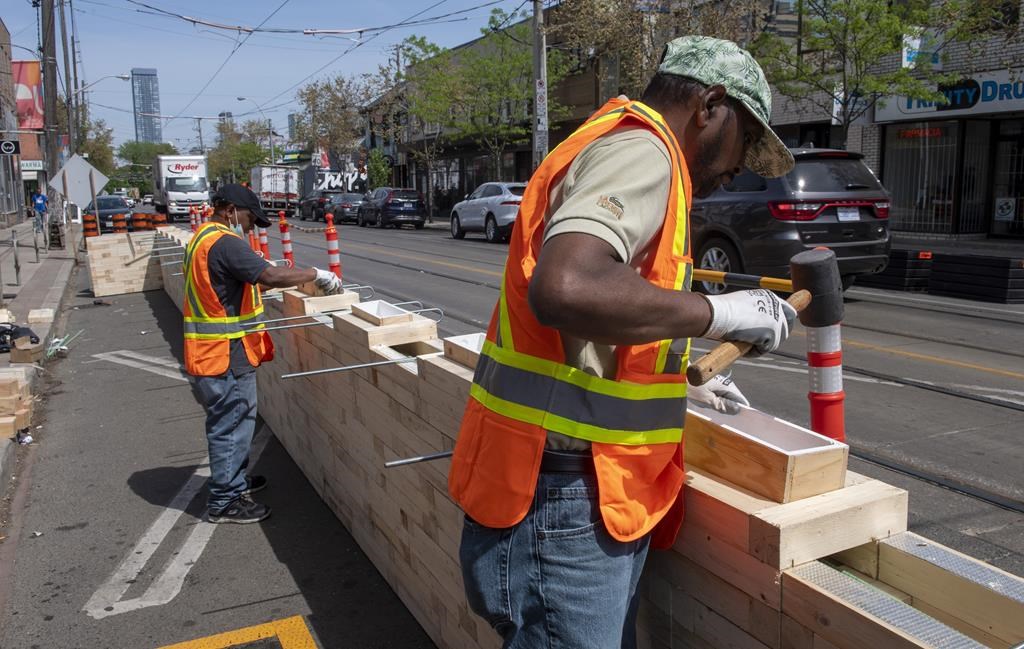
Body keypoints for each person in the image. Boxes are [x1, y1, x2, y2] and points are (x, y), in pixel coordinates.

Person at [449, 36, 797, 648]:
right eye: (746, 139)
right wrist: (719, 312)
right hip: (561, 502)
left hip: (577, 495)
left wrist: (683, 371)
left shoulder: (626, 146)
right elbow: (566, 287)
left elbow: (612, 313)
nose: (741, 165)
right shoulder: (645, 152)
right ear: (709, 106)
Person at [183, 183, 344, 524]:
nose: (251, 226)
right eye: (248, 218)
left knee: (235, 421)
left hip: (214, 351)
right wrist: (316, 274)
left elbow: (251, 280)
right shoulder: (224, 242)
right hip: (224, 354)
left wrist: (287, 279)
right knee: (232, 424)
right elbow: (266, 274)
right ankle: (224, 501)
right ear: (229, 211)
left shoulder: (203, 237)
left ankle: (234, 481)